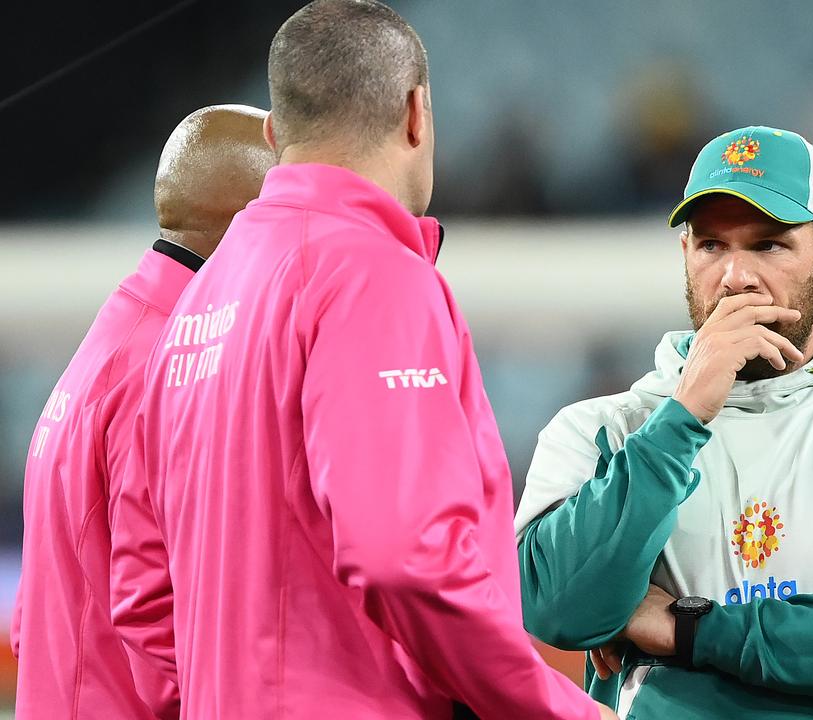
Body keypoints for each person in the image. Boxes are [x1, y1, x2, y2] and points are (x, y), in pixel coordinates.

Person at [109, 1, 612, 718]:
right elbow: (400, 554)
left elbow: (142, 594)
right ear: (417, 113)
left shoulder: (198, 298)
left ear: (276, 133)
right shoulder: (373, 275)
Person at [516, 125, 813, 719]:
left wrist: (687, 629)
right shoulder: (600, 432)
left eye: (768, 245)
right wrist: (681, 417)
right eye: (711, 245)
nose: (736, 277)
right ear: (684, 255)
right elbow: (558, 610)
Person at [14, 104, 273, 719]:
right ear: (247, 220)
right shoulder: (175, 363)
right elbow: (155, 620)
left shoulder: (118, 338)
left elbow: (33, 618)